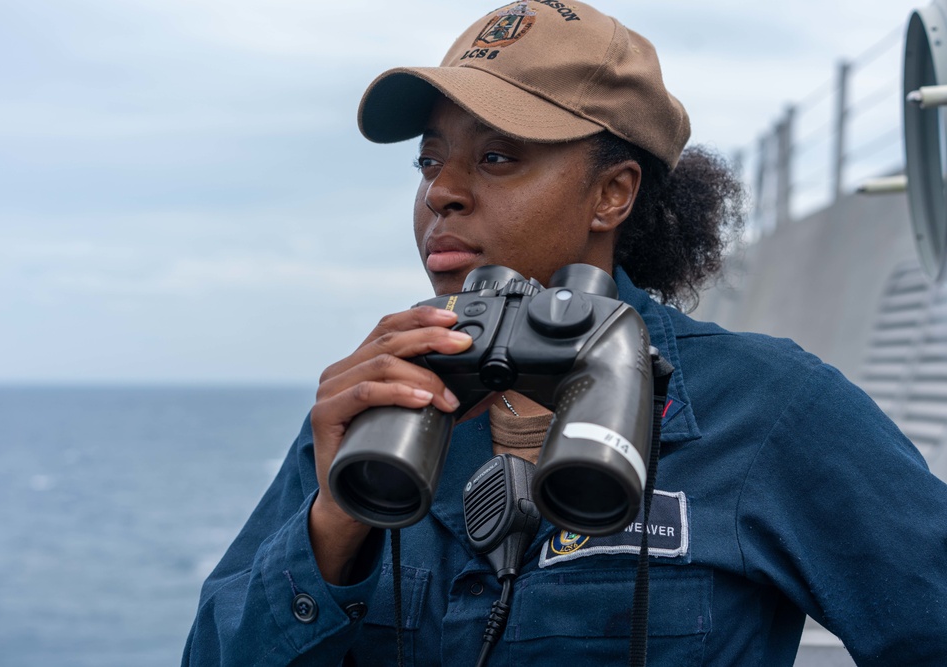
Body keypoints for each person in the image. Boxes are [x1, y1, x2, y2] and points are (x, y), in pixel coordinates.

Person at [182, 3, 947, 665]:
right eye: (429, 160)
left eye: (496, 157)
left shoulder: (769, 410)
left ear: (612, 193)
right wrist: (336, 519)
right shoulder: (380, 410)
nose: (441, 193)